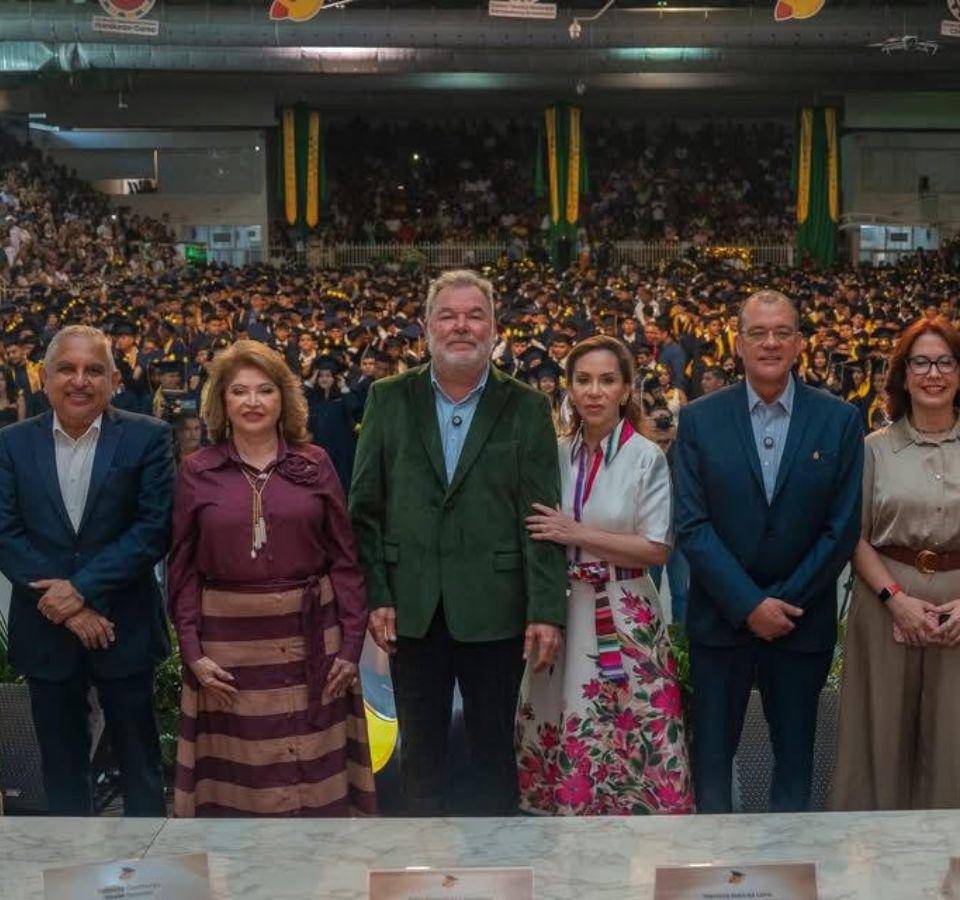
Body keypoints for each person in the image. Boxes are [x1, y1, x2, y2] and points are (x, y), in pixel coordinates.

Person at [350, 269, 567, 816]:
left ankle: (497, 863)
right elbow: (365, 509)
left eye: (475, 315)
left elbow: (542, 518)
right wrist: (378, 595)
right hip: (411, 607)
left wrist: (546, 610)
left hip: (497, 607)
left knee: (494, 756)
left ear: (494, 328)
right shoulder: (388, 398)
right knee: (419, 758)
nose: (461, 326)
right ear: (427, 326)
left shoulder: (526, 407)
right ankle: (423, 861)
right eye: (447, 315)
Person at [674, 290, 864, 813]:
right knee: (712, 769)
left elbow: (841, 528)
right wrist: (748, 605)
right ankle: (713, 862)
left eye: (782, 332)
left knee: (795, 768)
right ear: (738, 344)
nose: (771, 343)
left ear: (800, 343)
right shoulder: (700, 419)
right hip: (720, 623)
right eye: (758, 333)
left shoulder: (839, 420)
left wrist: (783, 604)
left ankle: (791, 864)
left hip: (800, 624)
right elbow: (691, 524)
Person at [168, 340, 375, 817]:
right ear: (221, 402)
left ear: (284, 398)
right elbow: (182, 570)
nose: (253, 401)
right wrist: (193, 653)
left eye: (265, 389)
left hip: (315, 645)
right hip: (228, 650)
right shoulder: (196, 471)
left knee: (317, 788)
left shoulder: (316, 463)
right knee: (241, 788)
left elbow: (345, 561)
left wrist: (350, 647)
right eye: (239, 391)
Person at [516, 335, 694, 815]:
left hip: (625, 605)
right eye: (583, 380)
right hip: (564, 608)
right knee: (558, 716)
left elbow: (657, 547)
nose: (594, 391)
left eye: (607, 380)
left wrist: (576, 532)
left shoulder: (645, 456)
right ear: (569, 389)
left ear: (626, 389)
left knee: (633, 724)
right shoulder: (555, 452)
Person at [0, 325, 174, 815]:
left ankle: (147, 864)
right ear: (44, 377)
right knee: (61, 778)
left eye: (94, 370)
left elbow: (153, 529)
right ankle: (72, 863)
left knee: (141, 772)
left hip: (123, 626)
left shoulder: (148, 437)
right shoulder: (10, 444)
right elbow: (6, 534)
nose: (80, 381)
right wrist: (71, 609)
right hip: (47, 631)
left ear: (114, 380)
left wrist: (79, 591)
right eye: (67, 369)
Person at [833, 318, 960, 810]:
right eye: (921, 362)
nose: (934, 374)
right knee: (880, 735)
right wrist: (897, 600)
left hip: (957, 612)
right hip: (886, 606)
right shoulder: (874, 449)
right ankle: (878, 852)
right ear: (903, 375)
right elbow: (855, 536)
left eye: (945, 362)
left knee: (951, 742)